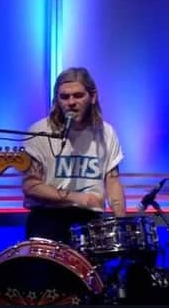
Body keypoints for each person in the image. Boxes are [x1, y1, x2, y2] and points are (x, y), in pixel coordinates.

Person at [22, 66, 126, 245]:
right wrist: (78, 198)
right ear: (57, 100)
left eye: (78, 95)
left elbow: (113, 182)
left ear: (92, 97)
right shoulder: (39, 131)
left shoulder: (106, 133)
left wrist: (122, 224)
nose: (71, 102)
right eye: (64, 97)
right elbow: (31, 186)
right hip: (48, 218)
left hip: (91, 221)